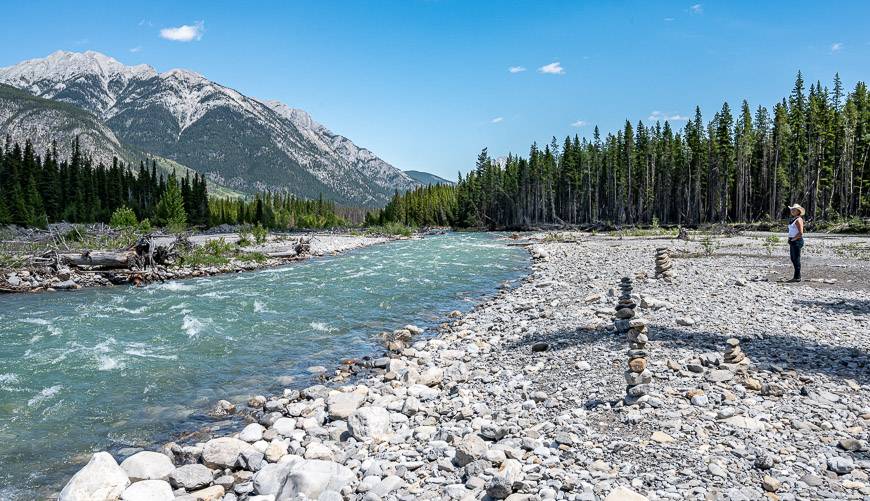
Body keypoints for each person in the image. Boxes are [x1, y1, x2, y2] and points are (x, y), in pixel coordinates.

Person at [787, 204, 805, 282]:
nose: (792, 211)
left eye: (794, 210)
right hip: (793, 240)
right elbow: (791, 231)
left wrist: (793, 239)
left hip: (797, 241)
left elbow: (801, 233)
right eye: (792, 209)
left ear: (798, 211)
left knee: (796, 259)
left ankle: (797, 277)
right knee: (793, 258)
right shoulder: (793, 219)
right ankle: (797, 276)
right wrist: (789, 239)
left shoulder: (798, 219)